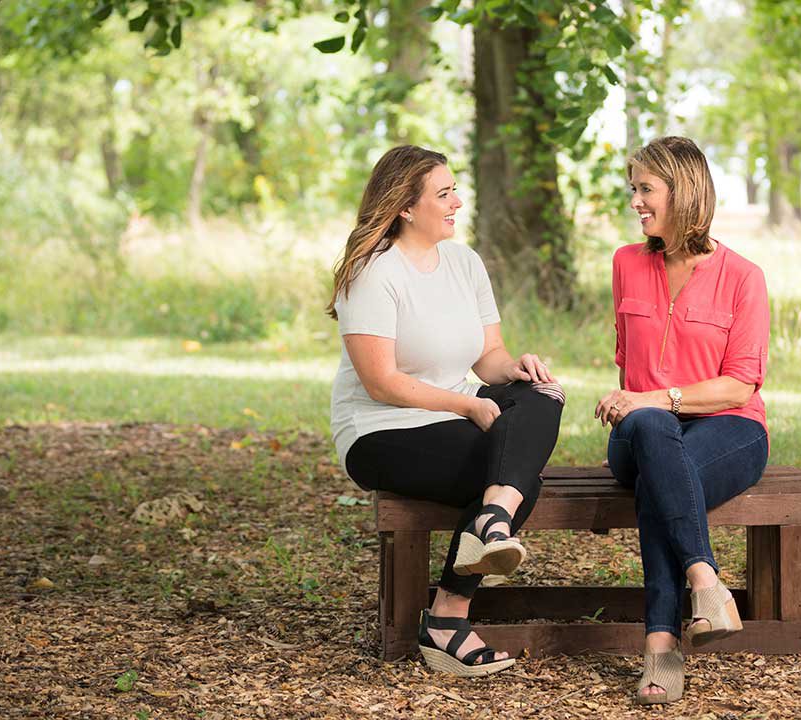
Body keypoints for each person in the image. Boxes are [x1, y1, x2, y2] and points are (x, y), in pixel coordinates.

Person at [328, 145, 564, 677]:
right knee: (513, 474)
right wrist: (468, 405)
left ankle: (491, 522)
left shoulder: (465, 262)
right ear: (406, 207)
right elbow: (382, 383)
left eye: (456, 189)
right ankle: (451, 614)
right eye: (444, 193)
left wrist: (517, 368)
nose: (458, 200)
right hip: (381, 429)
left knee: (544, 395)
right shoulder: (373, 272)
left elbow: (488, 358)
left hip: (453, 414)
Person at [593, 136, 770, 704]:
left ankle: (661, 645)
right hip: (641, 432)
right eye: (633, 189)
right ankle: (705, 580)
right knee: (649, 436)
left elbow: (740, 384)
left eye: (646, 190)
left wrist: (655, 398)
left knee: (659, 475)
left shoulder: (743, 276)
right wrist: (641, 405)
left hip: (731, 429)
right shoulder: (626, 262)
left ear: (683, 192)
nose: (635, 201)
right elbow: (626, 360)